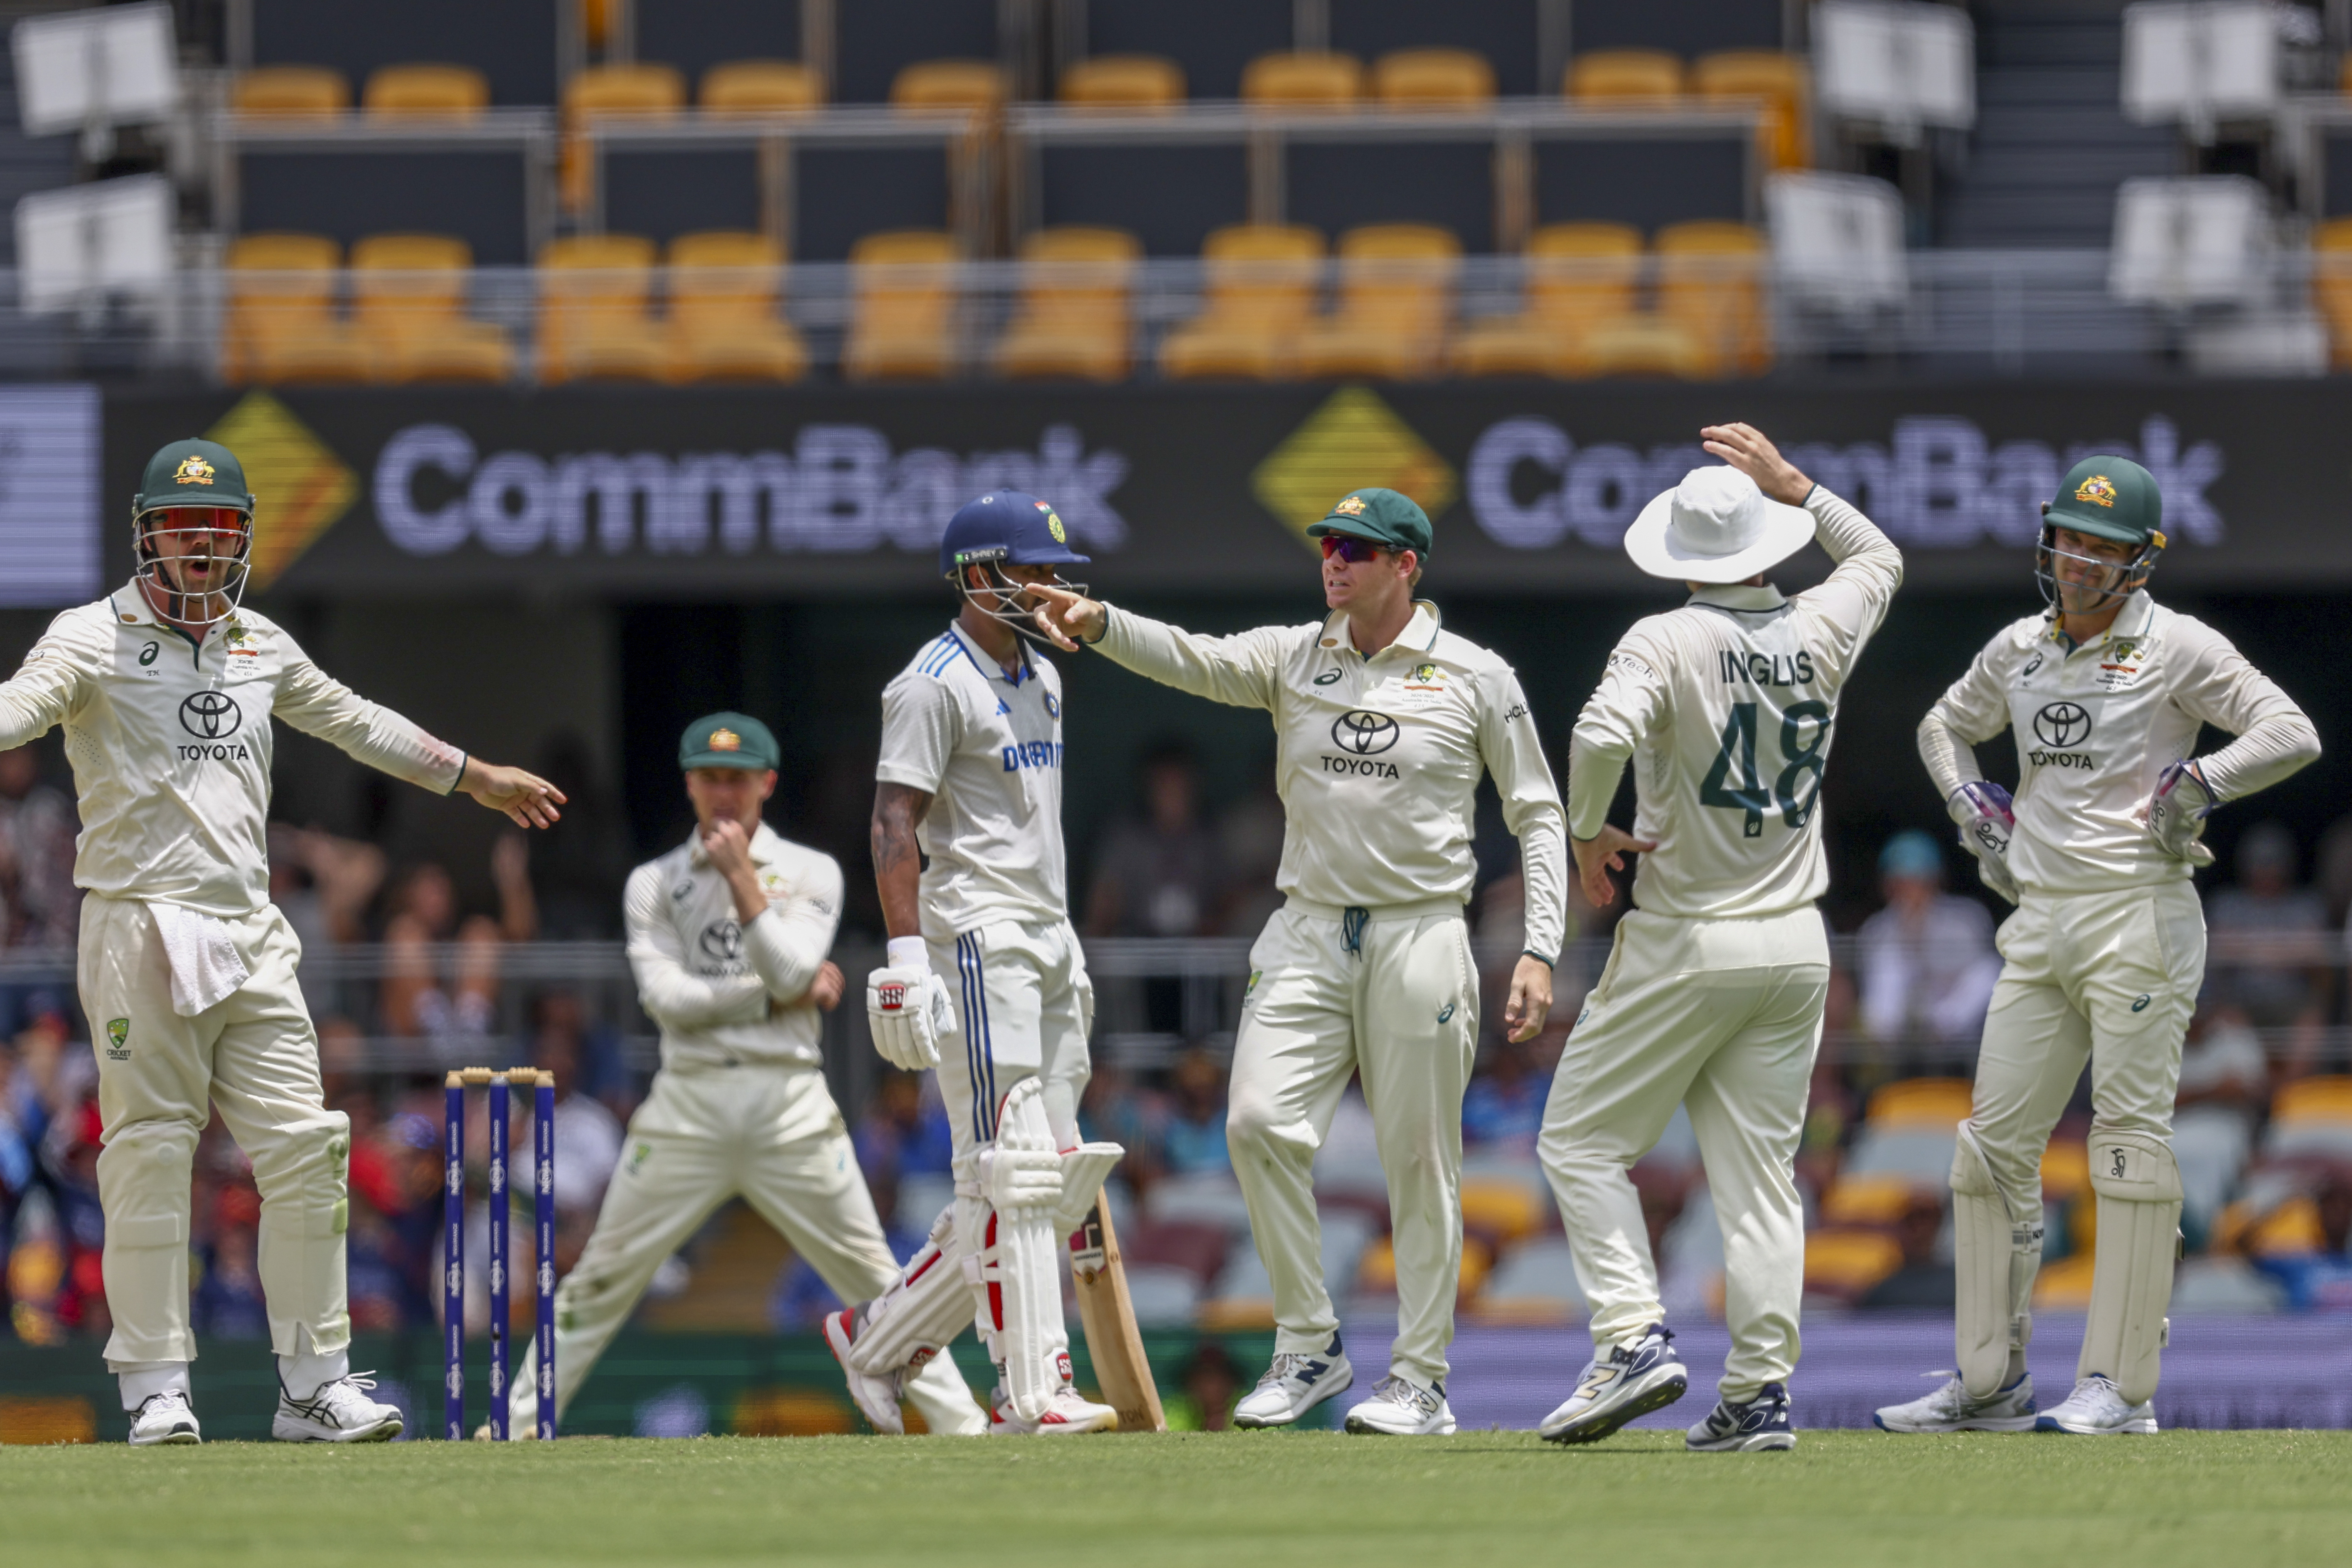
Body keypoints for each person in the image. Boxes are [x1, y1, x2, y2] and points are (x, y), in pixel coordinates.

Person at [0, 438, 563, 1445]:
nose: (203, 547)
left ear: (242, 538)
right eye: (184, 529)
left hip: (248, 930)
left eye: (218, 530)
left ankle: (313, 1385)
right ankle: (156, 1387)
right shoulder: (91, 637)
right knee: (150, 1151)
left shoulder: (259, 643)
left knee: (306, 1149)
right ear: (149, 537)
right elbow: (20, 711)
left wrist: (473, 774)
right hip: (137, 922)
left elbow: (354, 721)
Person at [1033, 486, 1568, 1438]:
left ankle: (1420, 1381)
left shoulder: (1476, 676)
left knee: (1419, 1160)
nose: (1334, 561)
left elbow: (1535, 812)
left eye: (1358, 550)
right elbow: (1193, 661)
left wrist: (1537, 947)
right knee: (1255, 1123)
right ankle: (1308, 1342)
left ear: (1406, 566)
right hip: (1308, 928)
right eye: (1328, 545)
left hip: (1421, 933)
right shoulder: (1293, 655)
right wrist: (1100, 623)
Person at [1874, 455, 2318, 1438]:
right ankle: (1987, 1384)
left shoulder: (2178, 647)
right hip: (2036, 921)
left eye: (2101, 549)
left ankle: (2118, 1389)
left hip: (2137, 917)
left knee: (2124, 1147)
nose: (2076, 561)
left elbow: (2290, 732)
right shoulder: (2018, 648)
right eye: (2068, 539)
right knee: (1987, 1152)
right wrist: (1966, 808)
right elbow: (1942, 727)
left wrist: (2199, 784)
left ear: (2139, 563)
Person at [1533, 423, 1903, 1452]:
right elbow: (1880, 558)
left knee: (1578, 1142)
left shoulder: (1663, 639)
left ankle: (1631, 1339)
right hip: (1793, 944)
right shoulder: (1823, 623)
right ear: (1767, 543)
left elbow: (1598, 733)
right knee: (1758, 1183)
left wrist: (1585, 835)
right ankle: (1757, 1396)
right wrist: (1800, 484)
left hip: (1688, 935)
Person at [497, 714, 985, 1438]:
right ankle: (513, 1426)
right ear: (689, 783)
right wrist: (772, 991)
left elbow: (791, 968)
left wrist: (741, 882)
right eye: (709, 776)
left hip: (787, 1096)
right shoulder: (653, 882)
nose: (724, 792)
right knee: (600, 1277)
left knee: (876, 1275)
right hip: (687, 1100)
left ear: (767, 783)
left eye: (738, 777)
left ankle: (963, 1426)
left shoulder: (812, 871)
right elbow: (670, 1002)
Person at [825, 491, 1125, 1437]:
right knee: (1011, 1170)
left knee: (1046, 1174)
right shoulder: (930, 681)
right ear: (976, 575)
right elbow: (891, 821)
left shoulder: (1044, 673)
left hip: (1047, 935)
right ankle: (1030, 1393)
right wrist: (906, 958)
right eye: (1028, 570)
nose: (1046, 587)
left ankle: (876, 1341)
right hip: (974, 936)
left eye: (1052, 570)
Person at [1853, 831, 2000, 1072]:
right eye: (1901, 883)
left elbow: (1977, 981)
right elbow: (1876, 986)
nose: (1910, 890)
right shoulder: (1877, 929)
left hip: (1950, 1021)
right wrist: (1910, 925)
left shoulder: (1966, 916)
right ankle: (1885, 1043)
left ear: (1935, 881)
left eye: (1918, 881)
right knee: (1888, 961)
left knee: (1990, 969)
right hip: (1900, 1024)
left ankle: (1938, 1033)